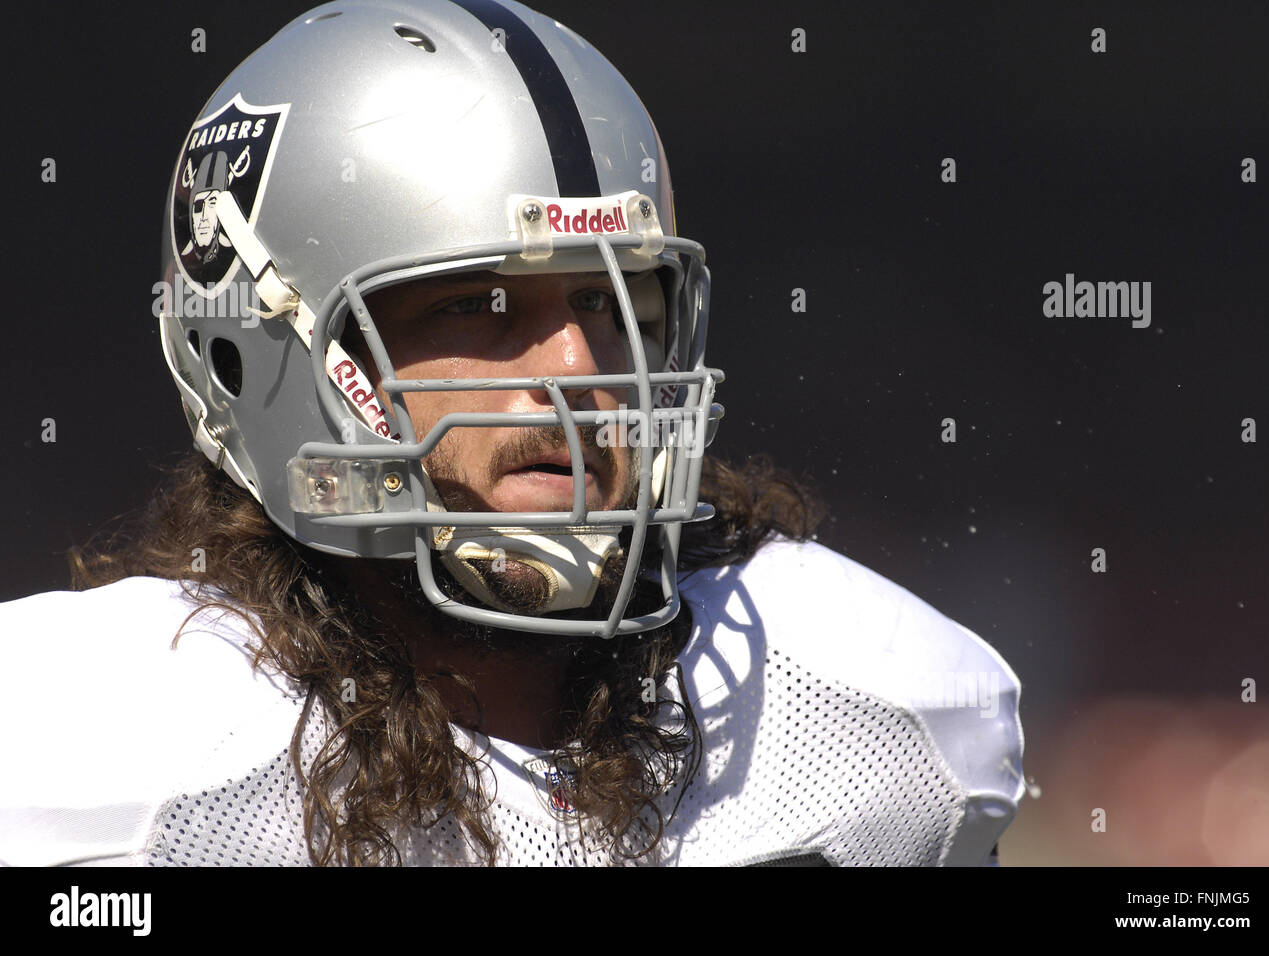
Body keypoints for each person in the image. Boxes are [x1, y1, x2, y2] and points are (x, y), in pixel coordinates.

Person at [0, 0, 1024, 866]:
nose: (579, 372)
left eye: (611, 302)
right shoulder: (102, 762)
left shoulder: (877, 724)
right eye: (478, 306)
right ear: (259, 349)